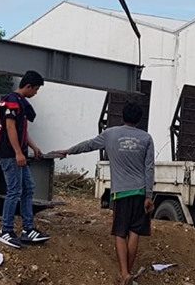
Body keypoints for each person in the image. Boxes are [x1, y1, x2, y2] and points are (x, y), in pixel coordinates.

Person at [52, 102, 155, 285]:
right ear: (139, 119)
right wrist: (149, 195)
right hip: (140, 192)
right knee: (134, 232)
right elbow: (149, 168)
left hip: (120, 193)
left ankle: (124, 274)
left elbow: (89, 145)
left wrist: (68, 151)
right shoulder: (146, 138)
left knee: (120, 233)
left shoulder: (110, 134)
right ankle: (128, 272)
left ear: (122, 116)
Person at [0, 70, 51, 248]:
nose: (36, 93)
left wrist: (33, 147)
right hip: (9, 154)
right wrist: (18, 152)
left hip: (17, 152)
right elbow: (10, 127)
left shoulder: (19, 104)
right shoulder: (12, 102)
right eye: (36, 89)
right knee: (14, 190)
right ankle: (6, 230)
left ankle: (28, 229)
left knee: (28, 188)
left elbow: (21, 130)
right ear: (29, 86)